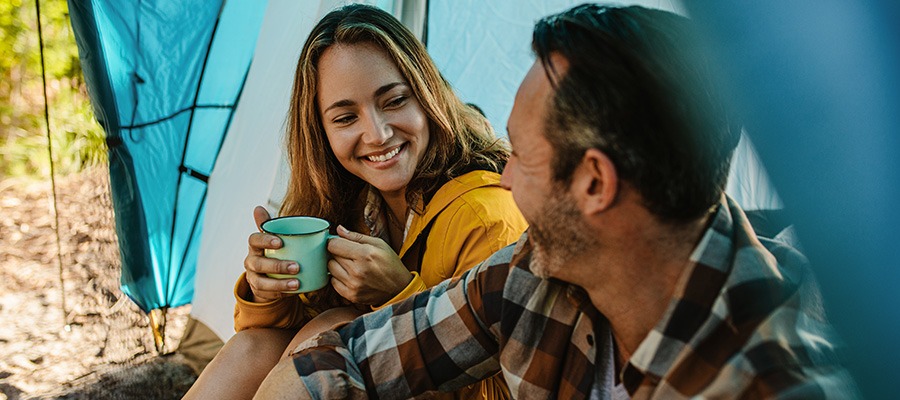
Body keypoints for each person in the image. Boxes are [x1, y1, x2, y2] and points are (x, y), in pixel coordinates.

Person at [254, 4, 859, 399]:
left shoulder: (767, 381)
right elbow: (342, 355)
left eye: (520, 153)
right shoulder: (531, 276)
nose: (506, 179)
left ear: (595, 182)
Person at [183, 4, 526, 400]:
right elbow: (279, 339)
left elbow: (511, 388)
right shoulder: (351, 200)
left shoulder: (486, 218)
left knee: (333, 328)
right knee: (254, 345)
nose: (377, 134)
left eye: (394, 101)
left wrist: (400, 297)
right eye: (346, 118)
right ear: (321, 131)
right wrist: (268, 293)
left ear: (427, 95)